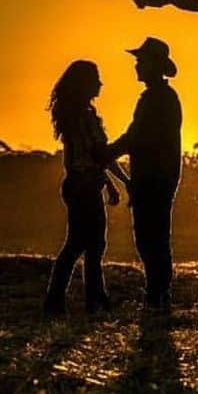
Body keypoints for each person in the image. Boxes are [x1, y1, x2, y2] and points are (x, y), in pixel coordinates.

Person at [43, 60, 128, 315]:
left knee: (83, 244)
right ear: (85, 84)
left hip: (80, 184)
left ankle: (81, 299)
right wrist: (124, 181)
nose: (100, 83)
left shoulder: (74, 115)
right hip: (85, 186)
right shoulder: (85, 118)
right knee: (87, 245)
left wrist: (111, 185)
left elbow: (91, 159)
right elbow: (99, 155)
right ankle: (86, 300)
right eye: (96, 79)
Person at [108, 37, 183, 312]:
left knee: (149, 236)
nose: (137, 66)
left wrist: (105, 153)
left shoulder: (156, 99)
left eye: (141, 61)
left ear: (153, 65)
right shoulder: (162, 97)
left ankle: (157, 293)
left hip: (153, 178)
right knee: (156, 236)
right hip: (159, 176)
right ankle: (159, 292)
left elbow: (134, 137)